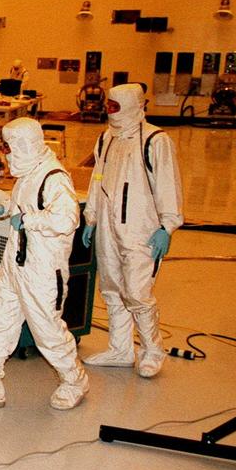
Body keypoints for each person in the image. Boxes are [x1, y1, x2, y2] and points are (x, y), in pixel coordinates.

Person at [0, 117, 89, 410]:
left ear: (24, 146)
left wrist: (27, 219)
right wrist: (5, 208)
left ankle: (74, 380)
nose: (7, 154)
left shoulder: (54, 178)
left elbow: (67, 219)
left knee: (47, 332)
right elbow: (23, 200)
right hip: (14, 264)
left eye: (9, 148)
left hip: (41, 270)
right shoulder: (29, 173)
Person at [81, 83, 183, 377]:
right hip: (108, 227)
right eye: (108, 106)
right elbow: (97, 177)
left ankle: (152, 350)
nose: (110, 111)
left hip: (141, 229)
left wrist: (167, 225)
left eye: (115, 107)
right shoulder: (106, 139)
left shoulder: (155, 140)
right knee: (112, 288)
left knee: (137, 293)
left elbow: (167, 183)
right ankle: (120, 349)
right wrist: (92, 216)